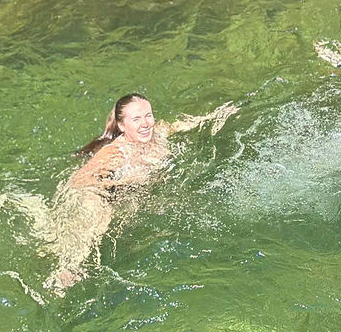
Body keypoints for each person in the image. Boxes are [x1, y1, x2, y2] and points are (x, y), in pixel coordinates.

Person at [43, 93, 237, 295]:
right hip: (104, 194)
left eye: (148, 116)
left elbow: (183, 124)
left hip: (136, 194)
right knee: (98, 222)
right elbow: (79, 181)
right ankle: (67, 268)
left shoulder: (158, 134)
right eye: (136, 119)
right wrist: (118, 182)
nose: (145, 124)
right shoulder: (115, 153)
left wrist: (219, 115)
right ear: (121, 126)